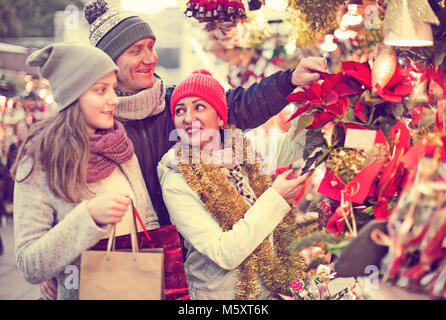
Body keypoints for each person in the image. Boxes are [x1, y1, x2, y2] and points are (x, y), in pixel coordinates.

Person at [83, 0, 327, 228]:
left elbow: (239, 105)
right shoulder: (96, 124)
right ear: (110, 61)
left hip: (192, 248)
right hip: (133, 255)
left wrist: (289, 80)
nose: (150, 58)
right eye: (136, 50)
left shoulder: (175, 104)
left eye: (151, 47)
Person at [12, 42, 159, 300]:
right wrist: (88, 218)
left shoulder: (121, 147)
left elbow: (148, 220)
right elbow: (29, 264)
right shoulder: (39, 161)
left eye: (113, 88)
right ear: (72, 95)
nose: (113, 99)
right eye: (100, 90)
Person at [157, 70, 312, 300]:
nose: (188, 118)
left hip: (267, 292)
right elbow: (224, 252)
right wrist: (276, 198)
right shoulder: (176, 177)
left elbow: (293, 147)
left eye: (199, 106)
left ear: (220, 117)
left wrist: (312, 101)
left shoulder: (243, 151)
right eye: (180, 110)